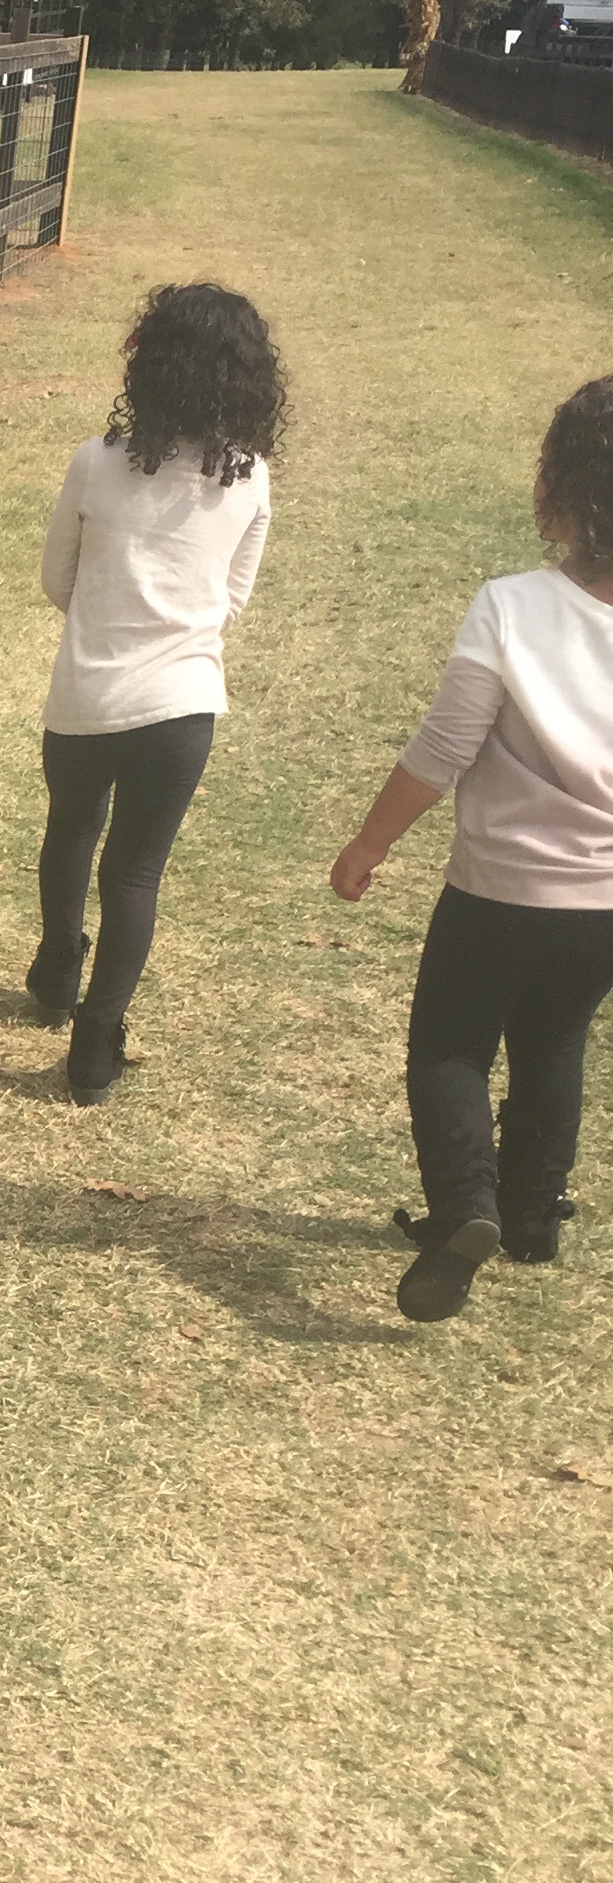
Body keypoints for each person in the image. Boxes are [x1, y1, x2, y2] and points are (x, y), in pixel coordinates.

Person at [330, 375, 613, 1324]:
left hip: (498, 891)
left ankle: (465, 1209)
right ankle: (533, 1215)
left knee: (451, 1047)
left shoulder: (514, 607)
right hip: (605, 904)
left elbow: (444, 750)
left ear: (563, 487)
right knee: (556, 1039)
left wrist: (369, 843)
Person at [28, 284, 283, 1103]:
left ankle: (55, 970)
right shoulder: (250, 480)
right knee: (135, 875)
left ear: (150, 366)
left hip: (86, 697)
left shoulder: (96, 460)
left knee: (72, 829)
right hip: (183, 708)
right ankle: (95, 1048)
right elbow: (232, 599)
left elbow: (56, 579)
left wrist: (107, 615)